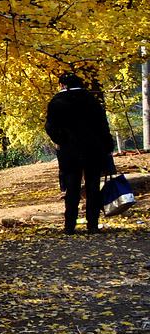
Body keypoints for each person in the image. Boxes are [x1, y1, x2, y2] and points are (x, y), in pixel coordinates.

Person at [44, 72, 115, 233]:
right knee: (93, 186)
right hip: (94, 149)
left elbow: (49, 127)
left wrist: (61, 140)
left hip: (69, 151)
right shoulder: (91, 99)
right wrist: (107, 146)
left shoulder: (56, 101)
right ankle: (92, 224)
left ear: (62, 85)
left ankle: (70, 225)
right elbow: (103, 125)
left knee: (72, 187)